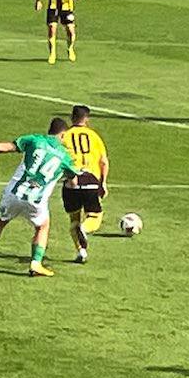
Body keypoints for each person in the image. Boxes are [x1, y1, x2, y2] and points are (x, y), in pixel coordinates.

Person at [0, 118, 80, 277]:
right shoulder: (65, 156)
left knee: (0, 222)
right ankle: (36, 264)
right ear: (63, 134)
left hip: (14, 193)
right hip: (36, 199)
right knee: (42, 226)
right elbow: (74, 182)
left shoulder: (34, 140)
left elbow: (0, 148)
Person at [61, 105, 109, 263]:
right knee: (95, 216)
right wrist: (103, 183)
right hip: (90, 181)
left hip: (71, 182)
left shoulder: (65, 136)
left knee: (74, 220)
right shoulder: (94, 136)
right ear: (86, 119)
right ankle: (85, 228)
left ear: (71, 118)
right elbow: (103, 162)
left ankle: (81, 252)